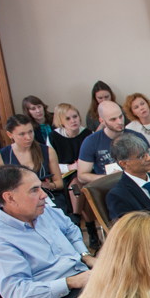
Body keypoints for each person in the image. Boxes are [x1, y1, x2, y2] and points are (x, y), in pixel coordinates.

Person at [0, 165, 95, 298]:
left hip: (83, 274)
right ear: (10, 198)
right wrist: (71, 282)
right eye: (34, 190)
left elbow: (70, 229)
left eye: (41, 188)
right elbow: (17, 292)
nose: (44, 195)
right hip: (56, 297)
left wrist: (85, 256)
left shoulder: (44, 211)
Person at [0, 115, 66, 213]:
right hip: (19, 202)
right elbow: (1, 188)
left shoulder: (47, 151)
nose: (28, 137)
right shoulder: (2, 155)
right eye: (22, 134)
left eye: (30, 132)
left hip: (46, 197)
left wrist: (50, 185)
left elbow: (59, 183)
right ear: (10, 135)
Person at [49, 104, 97, 247]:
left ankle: (76, 221)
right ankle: (91, 229)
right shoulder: (53, 137)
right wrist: (69, 167)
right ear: (60, 121)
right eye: (68, 118)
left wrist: (82, 166)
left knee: (80, 185)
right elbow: (51, 163)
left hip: (87, 173)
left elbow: (94, 158)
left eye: (75, 116)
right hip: (64, 174)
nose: (73, 120)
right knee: (78, 186)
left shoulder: (88, 134)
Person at [77, 101, 150, 185]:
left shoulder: (137, 136)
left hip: (138, 183)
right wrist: (109, 178)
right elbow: (81, 176)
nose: (119, 122)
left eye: (121, 116)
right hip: (109, 186)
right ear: (102, 121)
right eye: (113, 119)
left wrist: (133, 176)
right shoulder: (91, 141)